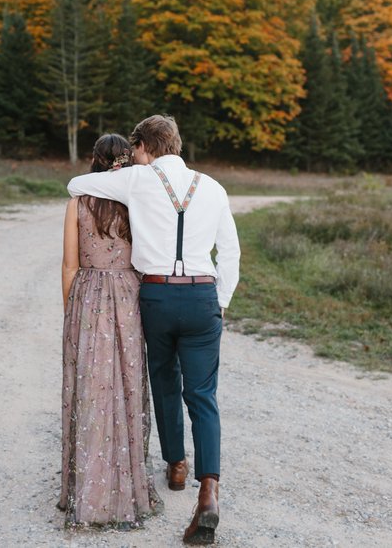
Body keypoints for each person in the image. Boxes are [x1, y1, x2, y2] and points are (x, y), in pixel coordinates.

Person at [67, 115, 239, 545]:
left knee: (165, 382)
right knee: (203, 394)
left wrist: (122, 172)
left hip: (158, 296)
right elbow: (231, 252)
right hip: (202, 297)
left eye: (136, 149)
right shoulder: (214, 187)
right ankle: (210, 492)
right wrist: (221, 301)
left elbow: (76, 185)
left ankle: (176, 465)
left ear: (143, 146)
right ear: (177, 145)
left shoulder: (138, 180)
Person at [58, 133, 160, 529]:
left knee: (90, 385)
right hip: (129, 291)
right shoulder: (136, 203)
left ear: (94, 161)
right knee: (127, 383)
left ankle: (86, 487)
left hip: (88, 293)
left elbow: (69, 264)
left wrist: (69, 311)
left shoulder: (76, 204)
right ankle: (126, 483)